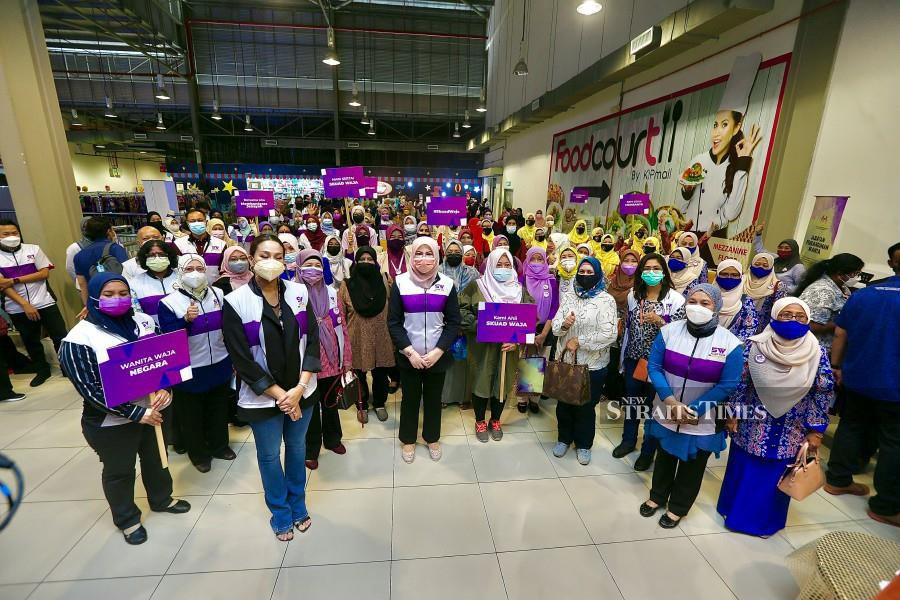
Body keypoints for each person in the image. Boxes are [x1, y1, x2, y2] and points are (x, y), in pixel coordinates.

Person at [59, 273, 190, 545]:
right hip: (112, 422)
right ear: (94, 297)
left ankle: (161, 499)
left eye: (123, 292)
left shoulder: (143, 323)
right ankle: (127, 519)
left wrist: (166, 388)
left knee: (157, 457)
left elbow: (162, 361)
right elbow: (90, 389)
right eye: (108, 294)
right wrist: (136, 413)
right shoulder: (79, 339)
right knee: (120, 471)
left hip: (154, 409)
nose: (117, 299)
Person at [221, 234, 321, 541]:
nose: (272, 261)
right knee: (268, 456)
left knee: (297, 448)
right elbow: (242, 359)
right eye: (265, 255)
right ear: (251, 259)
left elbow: (313, 341)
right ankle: (279, 512)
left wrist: (299, 388)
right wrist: (280, 395)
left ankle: (298, 504)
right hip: (263, 399)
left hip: (302, 390)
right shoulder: (236, 302)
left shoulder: (299, 292)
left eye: (279, 255)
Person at [718, 297, 832, 536]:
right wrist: (732, 413)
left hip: (792, 426)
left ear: (808, 320)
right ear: (774, 316)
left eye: (800, 317)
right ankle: (734, 512)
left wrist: (816, 429)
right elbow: (739, 382)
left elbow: (822, 391)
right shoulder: (754, 345)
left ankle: (764, 523)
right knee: (745, 468)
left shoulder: (816, 352)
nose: (793, 320)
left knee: (776, 474)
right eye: (786, 314)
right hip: (752, 422)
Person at [640, 284, 743, 528]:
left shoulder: (730, 344)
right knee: (664, 455)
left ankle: (678, 507)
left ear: (716, 307)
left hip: (702, 416)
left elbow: (727, 384)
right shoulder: (669, 332)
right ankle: (657, 497)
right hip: (667, 408)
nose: (697, 307)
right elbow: (654, 367)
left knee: (692, 464)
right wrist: (670, 401)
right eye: (692, 301)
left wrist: (693, 409)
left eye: (704, 303)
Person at [824, 248, 900, 527]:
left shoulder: (864, 294)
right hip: (895, 385)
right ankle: (886, 505)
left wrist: (836, 366)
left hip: (858, 377)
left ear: (891, 264)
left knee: (851, 426)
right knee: (894, 442)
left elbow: (841, 333)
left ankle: (837, 480)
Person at [158, 254, 235, 473]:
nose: (195, 273)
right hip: (190, 367)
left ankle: (220, 446)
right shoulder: (169, 302)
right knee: (191, 414)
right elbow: (167, 336)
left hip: (219, 361)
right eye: (189, 269)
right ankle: (199, 454)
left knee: (218, 408)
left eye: (199, 268)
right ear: (180, 272)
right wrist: (184, 321)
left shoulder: (218, 294)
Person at [387, 236, 461, 463]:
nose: (424, 259)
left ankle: (431, 437)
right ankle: (408, 439)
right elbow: (394, 322)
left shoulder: (447, 285)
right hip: (409, 356)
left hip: (437, 356)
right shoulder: (400, 283)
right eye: (419, 253)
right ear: (412, 255)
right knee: (409, 398)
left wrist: (438, 351)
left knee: (432, 398)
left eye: (429, 254)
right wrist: (410, 352)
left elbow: (453, 322)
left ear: (437, 256)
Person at [615, 253, 686, 471]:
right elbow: (628, 329)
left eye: (656, 268)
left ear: (664, 272)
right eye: (647, 268)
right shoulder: (633, 296)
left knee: (654, 409)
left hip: (659, 365)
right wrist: (622, 359)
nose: (652, 273)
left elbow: (680, 335)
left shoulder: (676, 300)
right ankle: (628, 441)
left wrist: (660, 321)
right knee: (632, 403)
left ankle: (647, 451)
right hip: (634, 359)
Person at [551, 256, 618, 464]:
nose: (585, 276)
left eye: (590, 273)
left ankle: (583, 444)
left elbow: (610, 333)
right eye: (583, 272)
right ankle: (564, 438)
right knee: (563, 403)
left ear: (597, 275)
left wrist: (581, 340)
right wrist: (564, 324)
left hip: (593, 365)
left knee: (585, 407)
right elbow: (554, 327)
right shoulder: (569, 296)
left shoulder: (606, 300)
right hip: (566, 362)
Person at [461, 248, 526, 442]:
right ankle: (480, 420)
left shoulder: (519, 290)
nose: (504, 269)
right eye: (499, 265)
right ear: (490, 265)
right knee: (481, 381)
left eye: (508, 265)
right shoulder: (477, 286)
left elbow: (529, 318)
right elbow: (461, 312)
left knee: (502, 383)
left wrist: (517, 339)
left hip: (509, 348)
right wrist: (485, 325)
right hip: (483, 347)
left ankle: (495, 420)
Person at [296, 249, 352, 470]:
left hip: (331, 359)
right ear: (300, 266)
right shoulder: (292, 292)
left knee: (330, 402)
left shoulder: (331, 292)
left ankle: (333, 439)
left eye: (318, 265)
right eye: (309, 264)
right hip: (306, 362)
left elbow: (342, 327)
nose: (314, 269)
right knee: (309, 406)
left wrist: (346, 358)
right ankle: (311, 448)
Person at [0, 220, 69, 387]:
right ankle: (42, 370)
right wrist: (24, 304)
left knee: (60, 335)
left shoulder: (33, 249)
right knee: (30, 340)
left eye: (14, 233)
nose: (11, 237)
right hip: (16, 306)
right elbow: (3, 285)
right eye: (6, 234)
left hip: (44, 301)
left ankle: (68, 367)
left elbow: (44, 273)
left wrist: (15, 279)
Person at [338, 246, 396, 423]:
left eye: (369, 260)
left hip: (381, 336)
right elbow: (341, 314)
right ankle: (361, 404)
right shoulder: (347, 284)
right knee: (359, 374)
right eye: (361, 260)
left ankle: (379, 403)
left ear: (376, 262)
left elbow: (393, 308)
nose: (365, 263)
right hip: (357, 336)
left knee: (380, 373)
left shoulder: (385, 280)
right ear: (356, 262)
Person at [438, 240, 479, 409]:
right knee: (445, 362)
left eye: (457, 250)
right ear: (445, 253)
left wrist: (463, 323)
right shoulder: (438, 271)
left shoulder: (473, 273)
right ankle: (445, 397)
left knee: (463, 362)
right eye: (450, 250)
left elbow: (476, 298)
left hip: (466, 326)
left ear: (462, 253)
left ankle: (464, 397)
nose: (453, 253)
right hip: (443, 324)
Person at [796, 253, 865, 350]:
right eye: (855, 274)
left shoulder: (843, 287)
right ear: (840, 273)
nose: (857, 277)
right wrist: (843, 322)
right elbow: (811, 326)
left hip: (831, 346)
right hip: (814, 348)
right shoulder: (823, 290)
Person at [520, 246, 559, 414]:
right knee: (525, 360)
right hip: (525, 327)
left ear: (545, 261)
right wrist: (529, 331)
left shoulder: (551, 281)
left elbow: (555, 307)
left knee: (539, 363)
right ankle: (522, 398)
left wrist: (543, 334)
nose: (536, 263)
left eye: (540, 259)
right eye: (533, 259)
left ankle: (534, 398)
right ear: (527, 260)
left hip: (545, 328)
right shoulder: (522, 279)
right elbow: (519, 305)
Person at [73, 216, 130, 307]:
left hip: (96, 301)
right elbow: (128, 273)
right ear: (108, 231)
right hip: (119, 299)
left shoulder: (79, 256)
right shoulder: (116, 249)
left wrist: (88, 306)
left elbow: (82, 284)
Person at [126, 240, 179, 327]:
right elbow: (137, 314)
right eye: (151, 255)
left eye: (161, 254)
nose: (157, 258)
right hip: (154, 333)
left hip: (186, 331)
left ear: (169, 256)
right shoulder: (135, 284)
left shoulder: (182, 278)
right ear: (144, 258)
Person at [174, 210, 227, 285]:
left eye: (200, 220)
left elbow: (224, 270)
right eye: (192, 221)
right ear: (187, 223)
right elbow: (177, 271)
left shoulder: (221, 244)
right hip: (189, 290)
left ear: (206, 222)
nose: (197, 223)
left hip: (215, 289)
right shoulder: (178, 244)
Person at [714, 259, 761, 341]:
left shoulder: (745, 301)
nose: (729, 277)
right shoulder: (707, 296)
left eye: (734, 275)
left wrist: (734, 344)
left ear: (740, 277)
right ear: (717, 275)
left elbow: (750, 327)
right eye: (724, 274)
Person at [753, 223, 806, 293]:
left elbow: (802, 288)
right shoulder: (775, 259)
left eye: (787, 248)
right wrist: (758, 234)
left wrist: (781, 287)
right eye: (780, 248)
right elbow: (760, 250)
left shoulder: (798, 267)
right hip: (766, 296)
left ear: (794, 250)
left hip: (783, 300)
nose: (783, 250)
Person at [743, 252, 787, 330]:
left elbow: (779, 311)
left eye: (765, 265)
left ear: (771, 267)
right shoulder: (742, 280)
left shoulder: (779, 286)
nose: (760, 267)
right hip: (735, 324)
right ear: (752, 264)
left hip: (761, 329)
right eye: (757, 264)